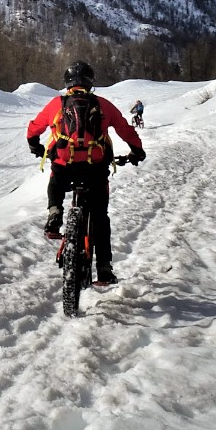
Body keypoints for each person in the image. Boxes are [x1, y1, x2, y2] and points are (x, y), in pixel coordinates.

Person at [25, 60, 144, 287]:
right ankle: (104, 269)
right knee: (100, 217)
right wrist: (137, 151)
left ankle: (55, 212)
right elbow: (125, 130)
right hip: (95, 168)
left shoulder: (56, 105)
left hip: (64, 165)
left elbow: (34, 128)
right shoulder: (103, 105)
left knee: (56, 180)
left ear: (67, 82)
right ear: (91, 83)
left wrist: (34, 145)